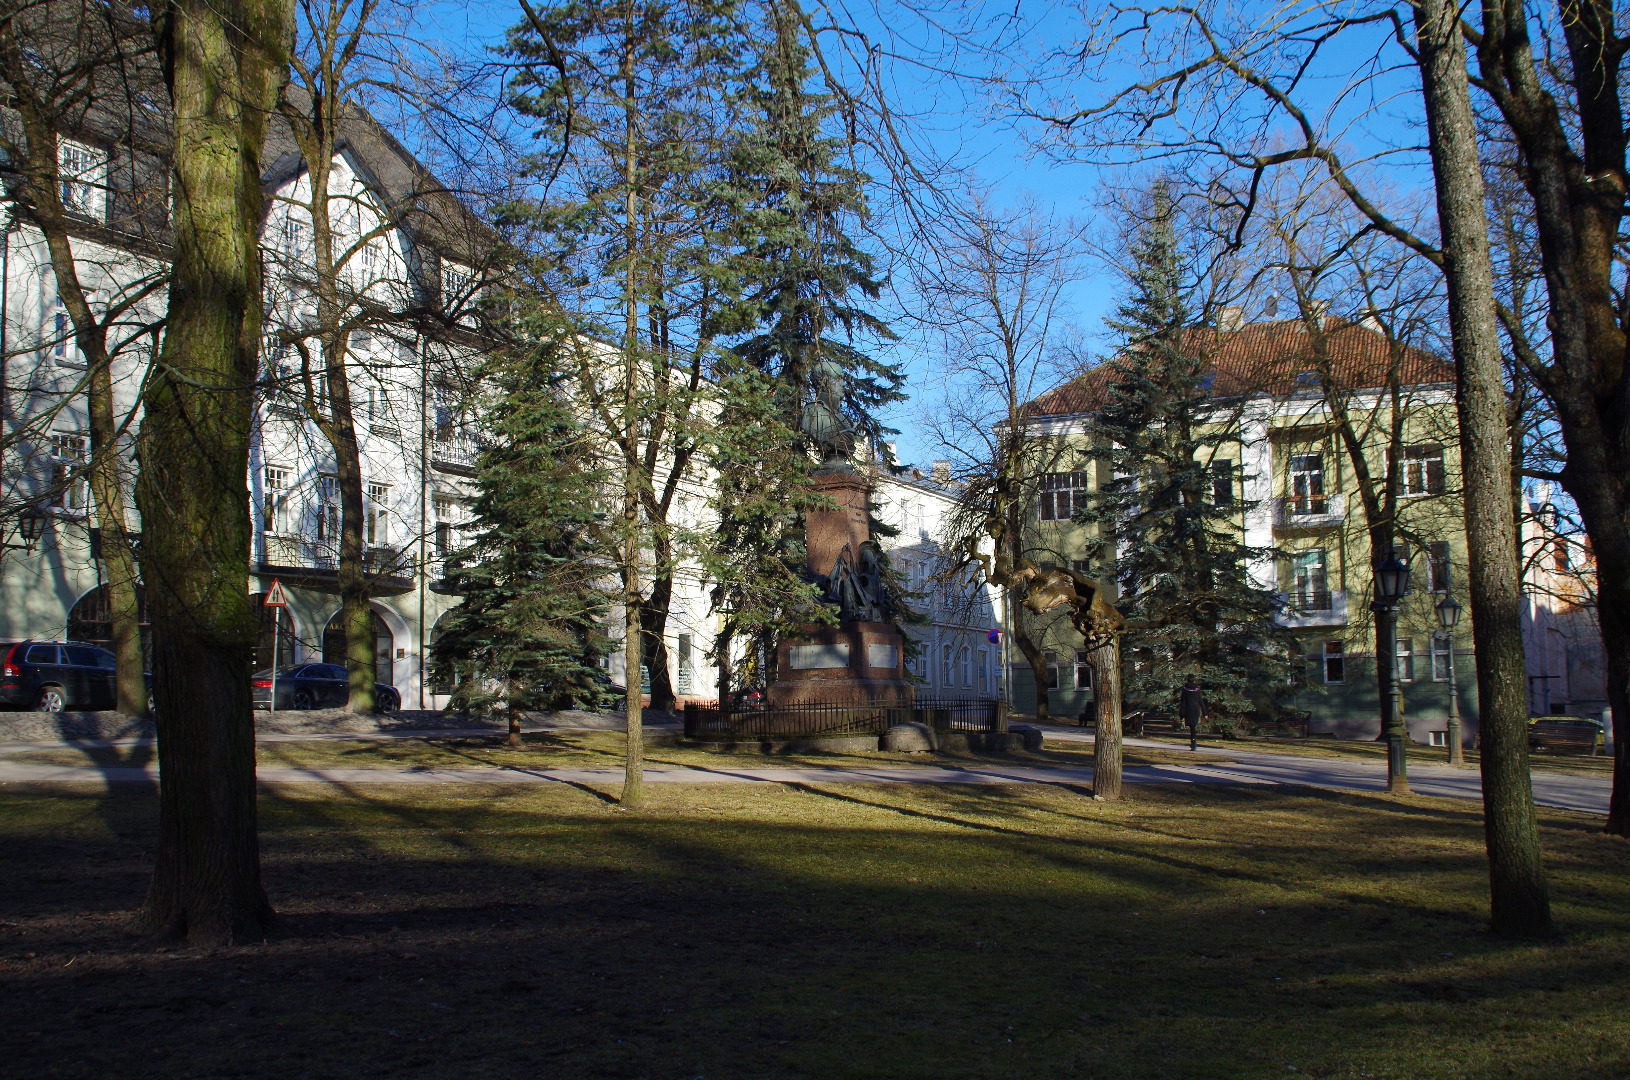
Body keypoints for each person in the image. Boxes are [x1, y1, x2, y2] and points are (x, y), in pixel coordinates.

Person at [1179, 676, 1207, 751]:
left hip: (1188, 710)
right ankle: (1194, 742)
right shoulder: (1197, 690)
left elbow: (1183, 702)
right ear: (1194, 681)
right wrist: (1205, 713)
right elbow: (1201, 701)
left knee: (1192, 728)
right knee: (1193, 727)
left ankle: (1193, 742)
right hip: (1196, 710)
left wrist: (1181, 713)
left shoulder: (1185, 690)